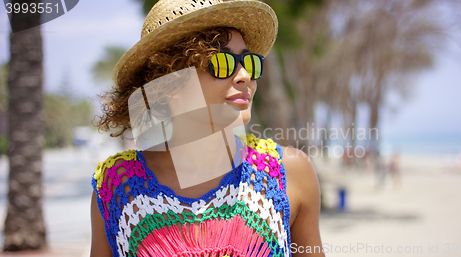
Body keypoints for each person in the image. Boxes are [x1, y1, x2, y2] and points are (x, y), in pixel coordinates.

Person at [90, 0, 324, 256]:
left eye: (251, 62)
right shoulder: (117, 186)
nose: (245, 75)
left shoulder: (289, 173)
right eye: (223, 63)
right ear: (169, 84)